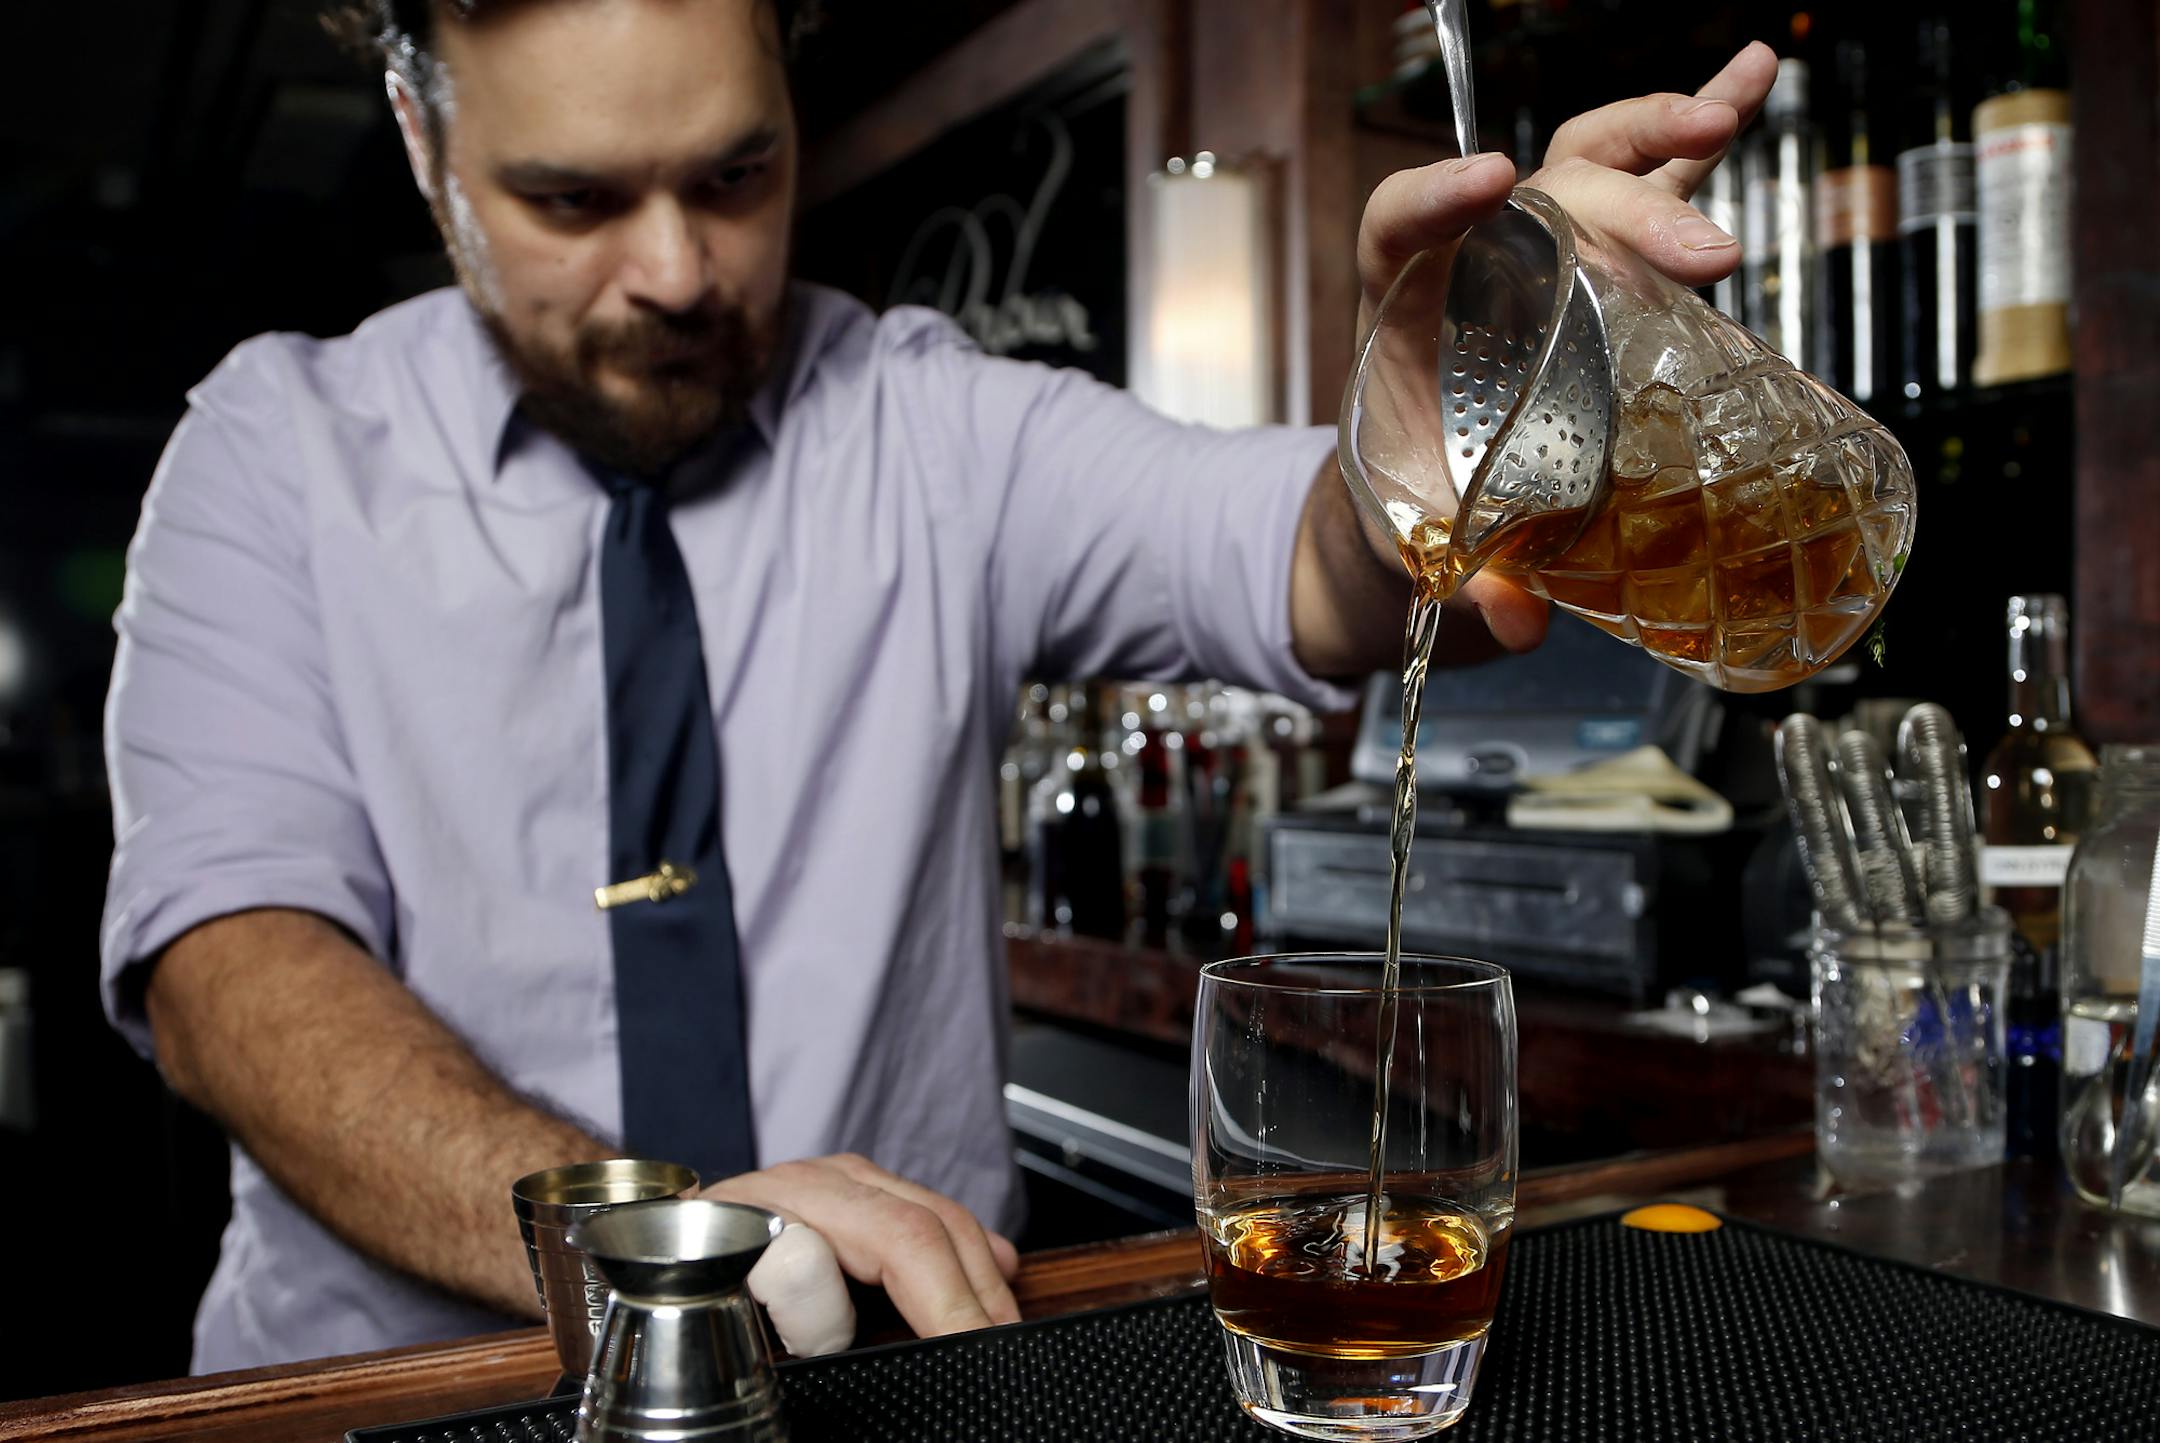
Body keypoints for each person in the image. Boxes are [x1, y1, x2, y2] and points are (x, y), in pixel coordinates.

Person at [98, 0, 1775, 1373]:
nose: (680, 270)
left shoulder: (931, 424)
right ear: (423, 139)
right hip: (410, 1387)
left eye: (738, 173)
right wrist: (637, 1248)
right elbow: (228, 963)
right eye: (576, 200)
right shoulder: (274, 456)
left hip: (892, 1369)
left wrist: (1447, 418)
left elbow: (1307, 563)